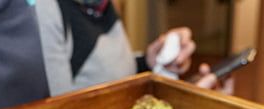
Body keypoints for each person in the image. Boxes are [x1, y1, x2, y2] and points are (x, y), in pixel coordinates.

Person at [35, 0, 221, 96]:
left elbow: (109, 71)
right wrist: (182, 101)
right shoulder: (48, 9)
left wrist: (149, 62)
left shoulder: (102, 5)